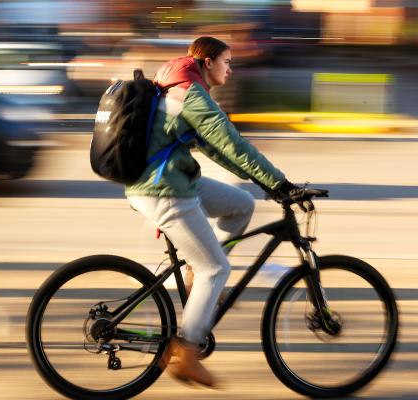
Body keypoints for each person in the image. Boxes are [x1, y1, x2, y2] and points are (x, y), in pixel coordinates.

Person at [125, 36, 297, 387]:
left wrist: (265, 185)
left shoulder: (180, 85)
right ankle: (186, 352)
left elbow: (217, 149)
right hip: (164, 189)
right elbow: (231, 141)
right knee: (216, 267)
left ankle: (196, 274)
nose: (230, 69)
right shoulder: (190, 91)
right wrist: (280, 184)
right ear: (207, 62)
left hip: (171, 180)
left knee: (240, 205)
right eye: (226, 62)